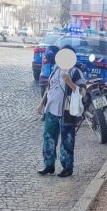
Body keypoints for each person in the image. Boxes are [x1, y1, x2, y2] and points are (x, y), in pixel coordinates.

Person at [36, 45, 86, 178]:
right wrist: (42, 103)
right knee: (48, 138)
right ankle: (49, 164)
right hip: (51, 111)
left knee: (67, 140)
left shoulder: (76, 72)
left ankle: (67, 167)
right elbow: (49, 87)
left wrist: (70, 82)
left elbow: (82, 92)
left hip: (66, 112)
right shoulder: (55, 69)